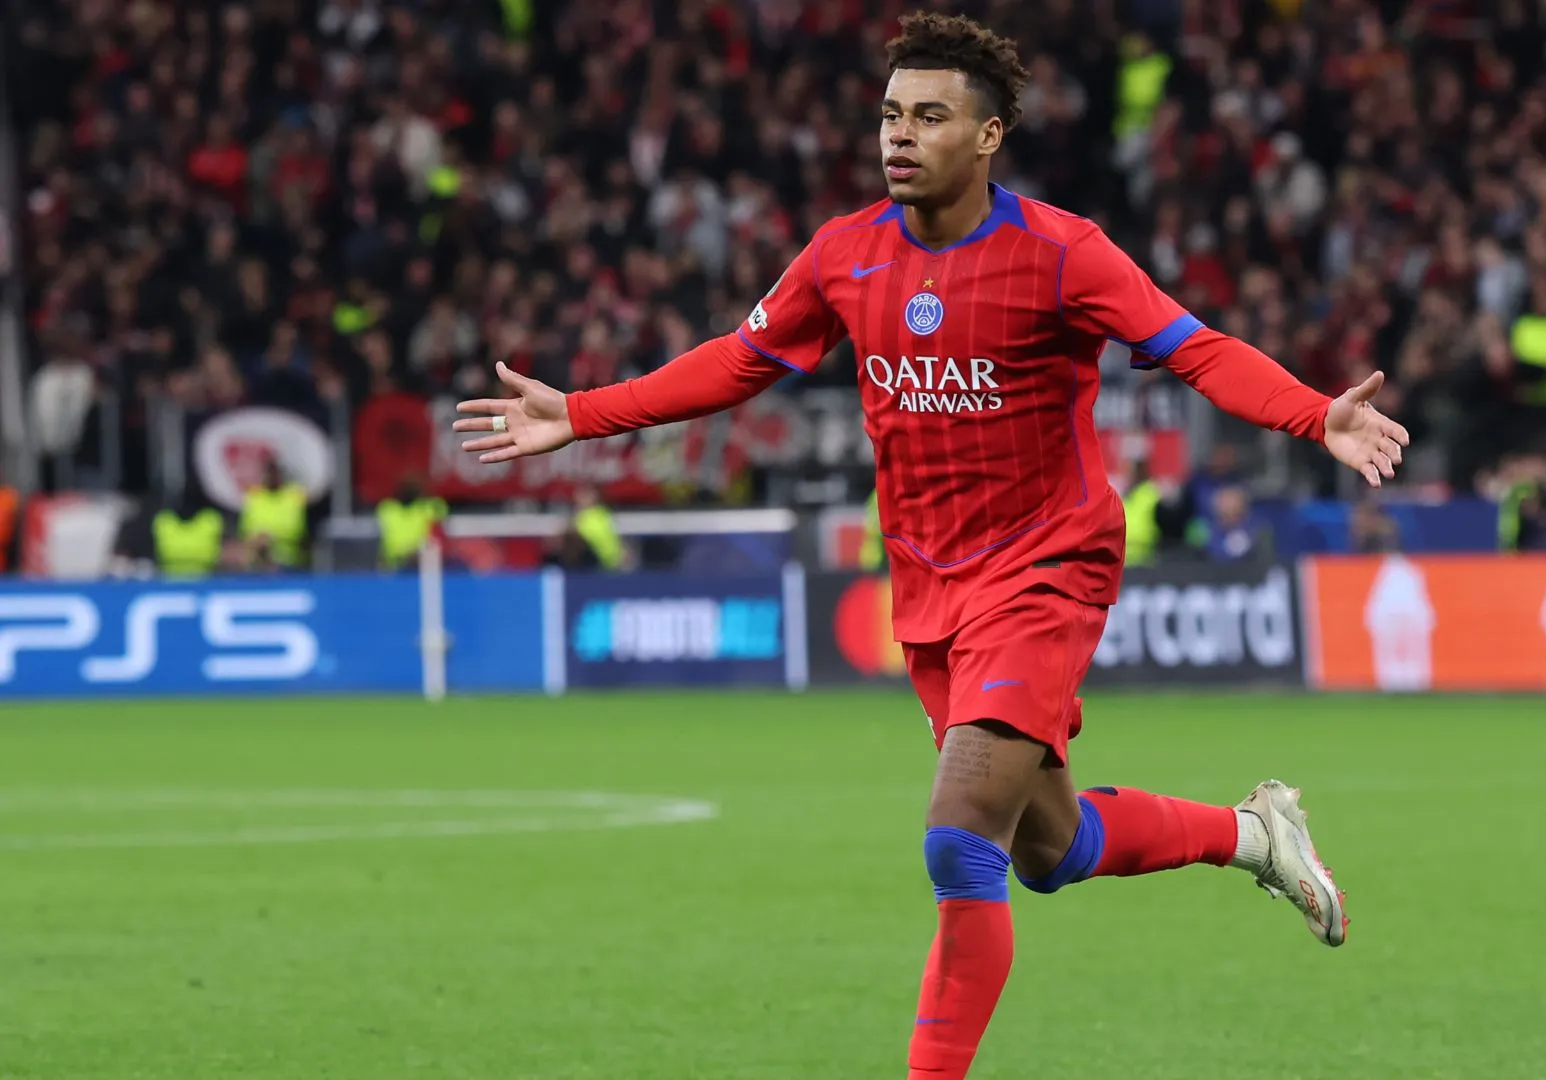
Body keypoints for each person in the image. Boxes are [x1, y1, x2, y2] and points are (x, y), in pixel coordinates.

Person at [453, 15, 1408, 1077]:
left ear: (990, 135)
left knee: (959, 838)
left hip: (1047, 566)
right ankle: (1250, 835)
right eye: (891, 116)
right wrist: (579, 413)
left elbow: (1194, 348)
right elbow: (738, 360)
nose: (899, 137)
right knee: (1048, 850)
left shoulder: (1060, 253)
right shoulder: (845, 254)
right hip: (928, 584)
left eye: (930, 117)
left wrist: (1313, 416)